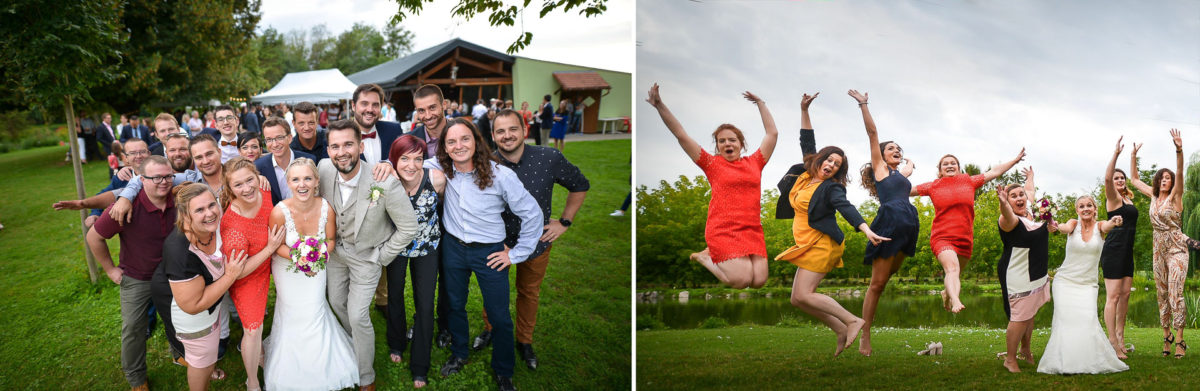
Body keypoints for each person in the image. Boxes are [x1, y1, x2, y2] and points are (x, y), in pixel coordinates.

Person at [470, 109, 590, 369]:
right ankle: (490, 329)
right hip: (497, 243)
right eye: (500, 131)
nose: (507, 136)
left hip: (537, 242)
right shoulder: (486, 163)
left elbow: (580, 184)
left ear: (524, 130)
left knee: (529, 292)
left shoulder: (549, 157)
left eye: (513, 129)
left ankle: (524, 341)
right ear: (493, 135)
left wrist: (565, 221)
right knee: (494, 291)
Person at [427, 118, 541, 391]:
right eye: (451, 141)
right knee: (454, 305)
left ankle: (503, 371)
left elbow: (532, 214)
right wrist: (387, 164)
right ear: (444, 147)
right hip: (453, 248)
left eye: (464, 139)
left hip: (490, 252)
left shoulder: (501, 175)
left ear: (476, 141)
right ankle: (459, 353)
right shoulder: (442, 167)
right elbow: (409, 164)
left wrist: (516, 254)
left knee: (499, 316)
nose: (458, 146)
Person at [773, 107, 889, 357]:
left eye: (836, 165)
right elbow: (806, 139)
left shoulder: (832, 188)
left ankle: (853, 320)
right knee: (797, 299)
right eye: (829, 160)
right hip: (806, 242)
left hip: (823, 243)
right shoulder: (804, 174)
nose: (831, 165)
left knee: (805, 294)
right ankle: (839, 328)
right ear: (820, 159)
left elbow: (846, 208)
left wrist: (865, 228)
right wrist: (803, 109)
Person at [319, 119, 419, 390]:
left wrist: (382, 256)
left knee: (358, 315)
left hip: (368, 257)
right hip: (336, 254)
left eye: (349, 144)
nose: (342, 152)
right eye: (335, 146)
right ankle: (356, 345)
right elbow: (297, 172)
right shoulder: (324, 169)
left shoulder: (384, 182)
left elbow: (409, 227)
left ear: (361, 146)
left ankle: (366, 377)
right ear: (328, 150)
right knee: (337, 303)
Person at [647, 83, 776, 289]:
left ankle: (710, 257)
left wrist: (760, 103)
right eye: (721, 141)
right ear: (717, 146)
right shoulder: (712, 164)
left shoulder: (756, 162)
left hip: (751, 228)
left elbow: (772, 134)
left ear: (741, 144)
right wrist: (659, 105)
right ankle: (705, 258)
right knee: (740, 280)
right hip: (723, 229)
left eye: (732, 140)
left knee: (759, 281)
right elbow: (681, 135)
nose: (727, 144)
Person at [262, 157, 360, 390]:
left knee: (315, 308)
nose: (302, 184)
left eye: (307, 178)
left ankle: (322, 363)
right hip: (287, 269)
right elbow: (275, 245)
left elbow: (331, 240)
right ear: (288, 182)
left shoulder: (326, 208)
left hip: (316, 269)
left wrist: (316, 257)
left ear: (317, 181)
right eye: (296, 179)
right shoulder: (279, 211)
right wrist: (300, 257)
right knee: (292, 312)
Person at [85, 155, 177, 391]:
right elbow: (94, 237)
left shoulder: (179, 198)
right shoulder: (126, 205)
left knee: (177, 318)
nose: (164, 182)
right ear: (141, 179)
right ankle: (137, 378)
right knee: (134, 329)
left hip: (172, 274)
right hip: (138, 277)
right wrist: (110, 269)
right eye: (156, 177)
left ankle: (179, 353)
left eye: (168, 176)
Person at [846, 90, 919, 356]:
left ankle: (864, 320)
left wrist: (908, 165)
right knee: (876, 285)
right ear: (881, 155)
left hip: (909, 224)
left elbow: (906, 175)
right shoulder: (881, 169)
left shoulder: (900, 175)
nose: (896, 150)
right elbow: (873, 134)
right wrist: (864, 104)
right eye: (891, 148)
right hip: (889, 222)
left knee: (885, 280)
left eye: (899, 148)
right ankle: (864, 333)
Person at [912, 147, 1025, 313]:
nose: (949, 166)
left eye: (953, 163)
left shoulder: (968, 181)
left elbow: (993, 172)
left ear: (958, 167)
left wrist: (1014, 161)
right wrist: (887, 180)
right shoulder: (933, 186)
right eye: (945, 164)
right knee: (952, 269)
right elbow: (904, 190)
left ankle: (947, 294)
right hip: (942, 237)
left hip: (965, 239)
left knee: (955, 273)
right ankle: (956, 300)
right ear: (940, 170)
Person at [163, 183, 246, 390]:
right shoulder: (180, 251)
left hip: (212, 310)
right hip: (195, 322)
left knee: (207, 357)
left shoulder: (212, 227)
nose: (209, 214)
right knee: (201, 363)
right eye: (199, 210)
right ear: (185, 214)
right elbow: (193, 304)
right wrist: (230, 276)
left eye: (212, 205)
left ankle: (209, 365)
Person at [1037, 195, 1129, 374]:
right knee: (1066, 323)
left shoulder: (1100, 226)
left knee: (1087, 321)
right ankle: (1066, 363)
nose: (1085, 209)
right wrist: (1052, 223)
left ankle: (1086, 361)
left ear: (1095, 209)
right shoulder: (1073, 224)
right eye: (1081, 206)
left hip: (1088, 285)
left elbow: (1109, 225)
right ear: (1077, 210)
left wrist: (1115, 221)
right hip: (1065, 282)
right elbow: (1061, 228)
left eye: (1089, 206)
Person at [218, 157, 286, 391]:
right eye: (238, 185)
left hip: (275, 262)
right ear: (229, 189)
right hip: (249, 276)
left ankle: (260, 354)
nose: (247, 188)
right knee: (253, 328)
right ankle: (253, 382)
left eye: (250, 180)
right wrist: (269, 248)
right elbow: (237, 272)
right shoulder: (232, 225)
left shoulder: (265, 191)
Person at [384, 135, 446, 388]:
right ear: (394, 160)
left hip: (428, 247)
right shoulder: (386, 180)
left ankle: (420, 364)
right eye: (404, 158)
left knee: (425, 302)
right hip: (396, 247)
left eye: (418, 158)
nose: (411, 165)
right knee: (395, 296)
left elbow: (445, 207)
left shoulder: (436, 179)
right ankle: (397, 342)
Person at [1131, 129, 1193, 359]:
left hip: (1177, 247)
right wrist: (1133, 156)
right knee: (1161, 293)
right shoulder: (1153, 196)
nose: (1165, 180)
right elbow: (1134, 179)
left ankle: (1180, 340)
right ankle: (1166, 336)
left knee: (1175, 291)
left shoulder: (1176, 196)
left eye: (1168, 178)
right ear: (1158, 181)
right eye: (1162, 177)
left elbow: (1179, 170)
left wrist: (1179, 149)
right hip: (1158, 248)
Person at [995, 181, 1051, 373]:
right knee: (1019, 316)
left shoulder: (1031, 213)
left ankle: (1025, 349)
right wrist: (1003, 202)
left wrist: (1030, 177)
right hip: (1018, 272)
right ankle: (1010, 359)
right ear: (1008, 201)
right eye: (1014, 196)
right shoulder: (1008, 219)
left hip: (1036, 271)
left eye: (1021, 195)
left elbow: (1030, 192)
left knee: (1030, 312)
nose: (1019, 198)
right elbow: (1007, 213)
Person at [1100, 136, 1137, 359]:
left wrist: (1133, 158)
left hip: (1127, 253)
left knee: (1125, 296)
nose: (1119, 180)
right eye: (1117, 178)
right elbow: (1106, 178)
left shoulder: (1129, 201)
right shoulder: (1113, 198)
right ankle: (1112, 342)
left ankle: (1121, 338)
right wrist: (1116, 154)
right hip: (1113, 252)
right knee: (1112, 297)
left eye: (1122, 177)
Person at [256, 117, 315, 205]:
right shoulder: (258, 167)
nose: (275, 144)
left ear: (290, 138)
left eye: (279, 138)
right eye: (269, 140)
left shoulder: (310, 160)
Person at [353, 83, 404, 163]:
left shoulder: (394, 131)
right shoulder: (339, 136)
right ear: (353, 106)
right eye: (364, 104)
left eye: (375, 105)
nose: (370, 109)